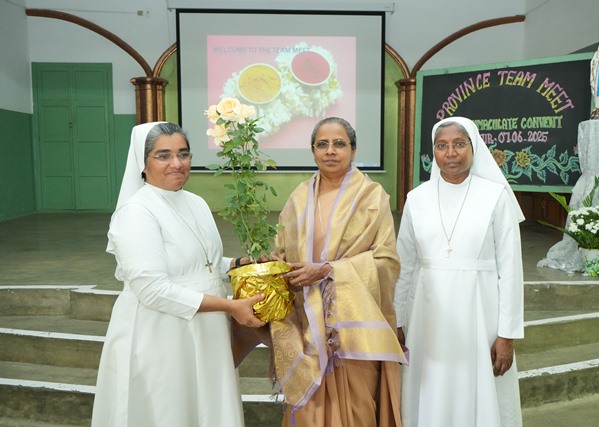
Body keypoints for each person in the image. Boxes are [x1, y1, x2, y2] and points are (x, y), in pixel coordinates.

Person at [91, 122, 265, 427]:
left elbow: (201, 264)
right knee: (168, 409)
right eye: (164, 155)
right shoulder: (136, 212)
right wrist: (229, 306)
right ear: (143, 163)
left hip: (205, 326)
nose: (177, 163)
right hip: (160, 332)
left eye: (183, 154)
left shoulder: (196, 202)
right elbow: (152, 290)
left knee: (206, 406)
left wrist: (241, 264)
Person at [269, 117, 407, 426]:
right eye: (322, 144)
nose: (330, 151)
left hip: (352, 327)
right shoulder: (298, 198)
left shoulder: (371, 196)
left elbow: (386, 260)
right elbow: (282, 250)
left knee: (357, 409)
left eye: (339, 144)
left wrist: (328, 271)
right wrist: (276, 267)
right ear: (313, 151)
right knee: (309, 410)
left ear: (353, 150)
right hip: (306, 319)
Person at [393, 116, 525, 427]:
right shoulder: (416, 198)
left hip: (480, 315)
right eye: (442, 146)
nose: (451, 153)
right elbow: (404, 265)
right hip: (425, 316)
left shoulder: (495, 196)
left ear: (473, 147)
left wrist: (507, 334)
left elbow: (511, 269)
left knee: (477, 391)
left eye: (459, 144)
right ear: (433, 152)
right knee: (430, 388)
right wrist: (397, 321)